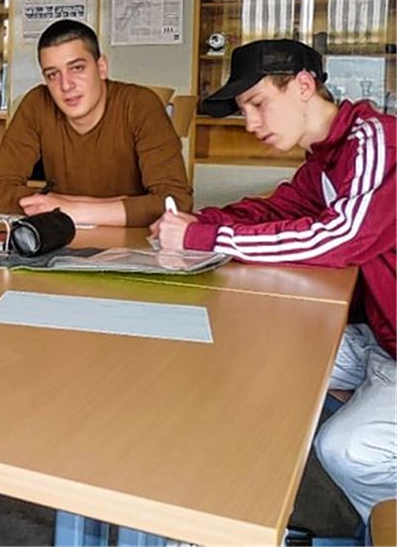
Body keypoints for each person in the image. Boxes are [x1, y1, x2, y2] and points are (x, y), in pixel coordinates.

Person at [152, 38, 396, 524]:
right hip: (378, 336)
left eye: (258, 104)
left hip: (391, 345)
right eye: (244, 110)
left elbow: (339, 237)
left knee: (347, 449)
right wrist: (202, 221)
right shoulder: (325, 161)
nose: (251, 123)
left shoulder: (377, 142)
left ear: (304, 86)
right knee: (257, 353)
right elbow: (275, 210)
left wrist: (203, 237)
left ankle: (380, 522)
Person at [0, 19, 192, 226]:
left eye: (77, 68)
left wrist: (68, 209)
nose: (66, 85)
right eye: (52, 74)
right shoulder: (37, 104)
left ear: (101, 67)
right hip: (64, 240)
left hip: (134, 243)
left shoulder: (139, 105)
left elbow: (176, 202)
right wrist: (100, 205)